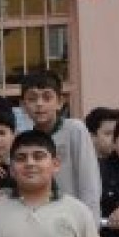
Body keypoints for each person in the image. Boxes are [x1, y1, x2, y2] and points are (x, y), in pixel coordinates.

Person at [20, 71, 102, 220]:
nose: (39, 104)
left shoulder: (74, 129)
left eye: (47, 97)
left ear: (60, 102)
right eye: (32, 98)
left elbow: (89, 182)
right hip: (41, 218)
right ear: (23, 106)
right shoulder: (26, 140)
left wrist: (90, 223)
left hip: (73, 218)